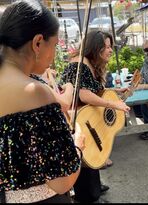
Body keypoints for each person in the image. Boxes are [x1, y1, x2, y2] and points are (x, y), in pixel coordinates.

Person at [0, 0, 85, 203]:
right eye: (55, 45)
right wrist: (78, 145)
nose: (54, 55)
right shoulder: (34, 92)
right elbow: (62, 181)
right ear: (38, 42)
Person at [60, 30, 130, 203]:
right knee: (85, 158)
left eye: (110, 46)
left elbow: (94, 91)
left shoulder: (89, 64)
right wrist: (114, 104)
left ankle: (95, 189)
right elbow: (84, 95)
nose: (110, 50)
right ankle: (89, 196)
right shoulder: (79, 64)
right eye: (106, 47)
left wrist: (114, 92)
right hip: (76, 120)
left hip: (86, 118)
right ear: (94, 48)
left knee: (91, 155)